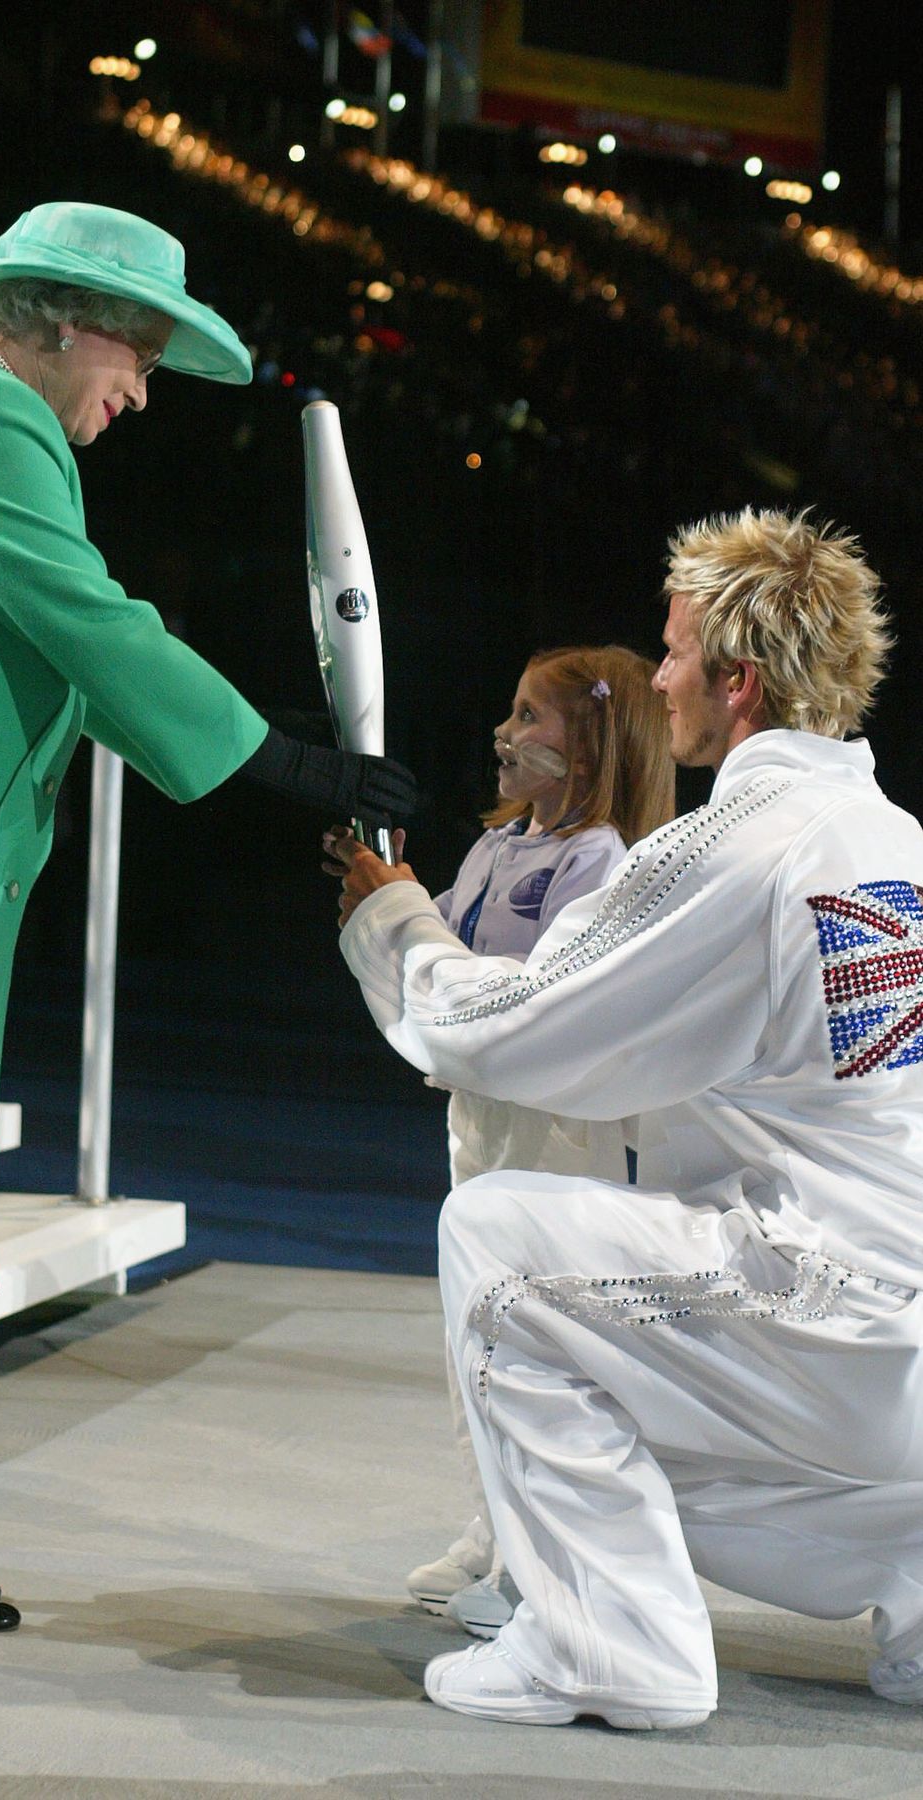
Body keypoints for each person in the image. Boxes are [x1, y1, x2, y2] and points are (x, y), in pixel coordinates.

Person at [0, 200, 416, 1634]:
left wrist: (267, 746)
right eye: (139, 351)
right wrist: (294, 768)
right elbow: (92, 626)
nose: (143, 390)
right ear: (55, 318)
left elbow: (64, 639)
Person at [331, 507, 923, 1731]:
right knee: (655, 1317)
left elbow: (516, 1036)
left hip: (832, 1328)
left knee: (498, 1238)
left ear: (737, 678)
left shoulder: (741, 844)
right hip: (898, 1355)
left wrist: (395, 923)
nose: (658, 679)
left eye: (673, 651)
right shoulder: (895, 839)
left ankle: (610, 1644)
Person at [378, 645, 673, 1638]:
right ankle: (490, 1525)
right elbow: (444, 962)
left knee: (526, 1330)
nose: (505, 735)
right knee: (472, 1329)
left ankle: (534, 1557)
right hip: (478, 1114)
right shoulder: (494, 847)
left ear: (587, 745)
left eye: (529, 718)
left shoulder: (596, 860)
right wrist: (391, 894)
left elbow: (540, 993)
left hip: (549, 1128)